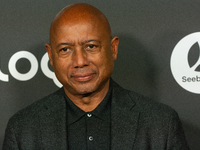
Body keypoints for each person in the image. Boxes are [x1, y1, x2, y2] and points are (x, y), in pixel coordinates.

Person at [3, 3, 189, 150]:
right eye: (65, 49)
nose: (80, 61)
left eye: (91, 46)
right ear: (51, 56)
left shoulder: (161, 124)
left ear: (113, 48)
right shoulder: (22, 129)